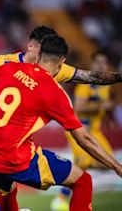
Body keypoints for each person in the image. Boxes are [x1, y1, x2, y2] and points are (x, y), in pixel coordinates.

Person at [0, 26, 122, 211]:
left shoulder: (9, 68)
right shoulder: (11, 65)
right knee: (82, 181)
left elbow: (90, 76)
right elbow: (83, 138)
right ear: (32, 47)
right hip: (11, 153)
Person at [51, 51, 116, 211]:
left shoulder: (105, 87)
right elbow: (79, 108)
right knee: (85, 163)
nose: (102, 66)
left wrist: (109, 121)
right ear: (92, 65)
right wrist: (102, 106)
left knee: (107, 163)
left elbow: (102, 109)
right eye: (98, 63)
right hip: (79, 129)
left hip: (95, 130)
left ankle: (65, 192)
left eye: (104, 63)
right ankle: (60, 200)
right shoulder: (85, 86)